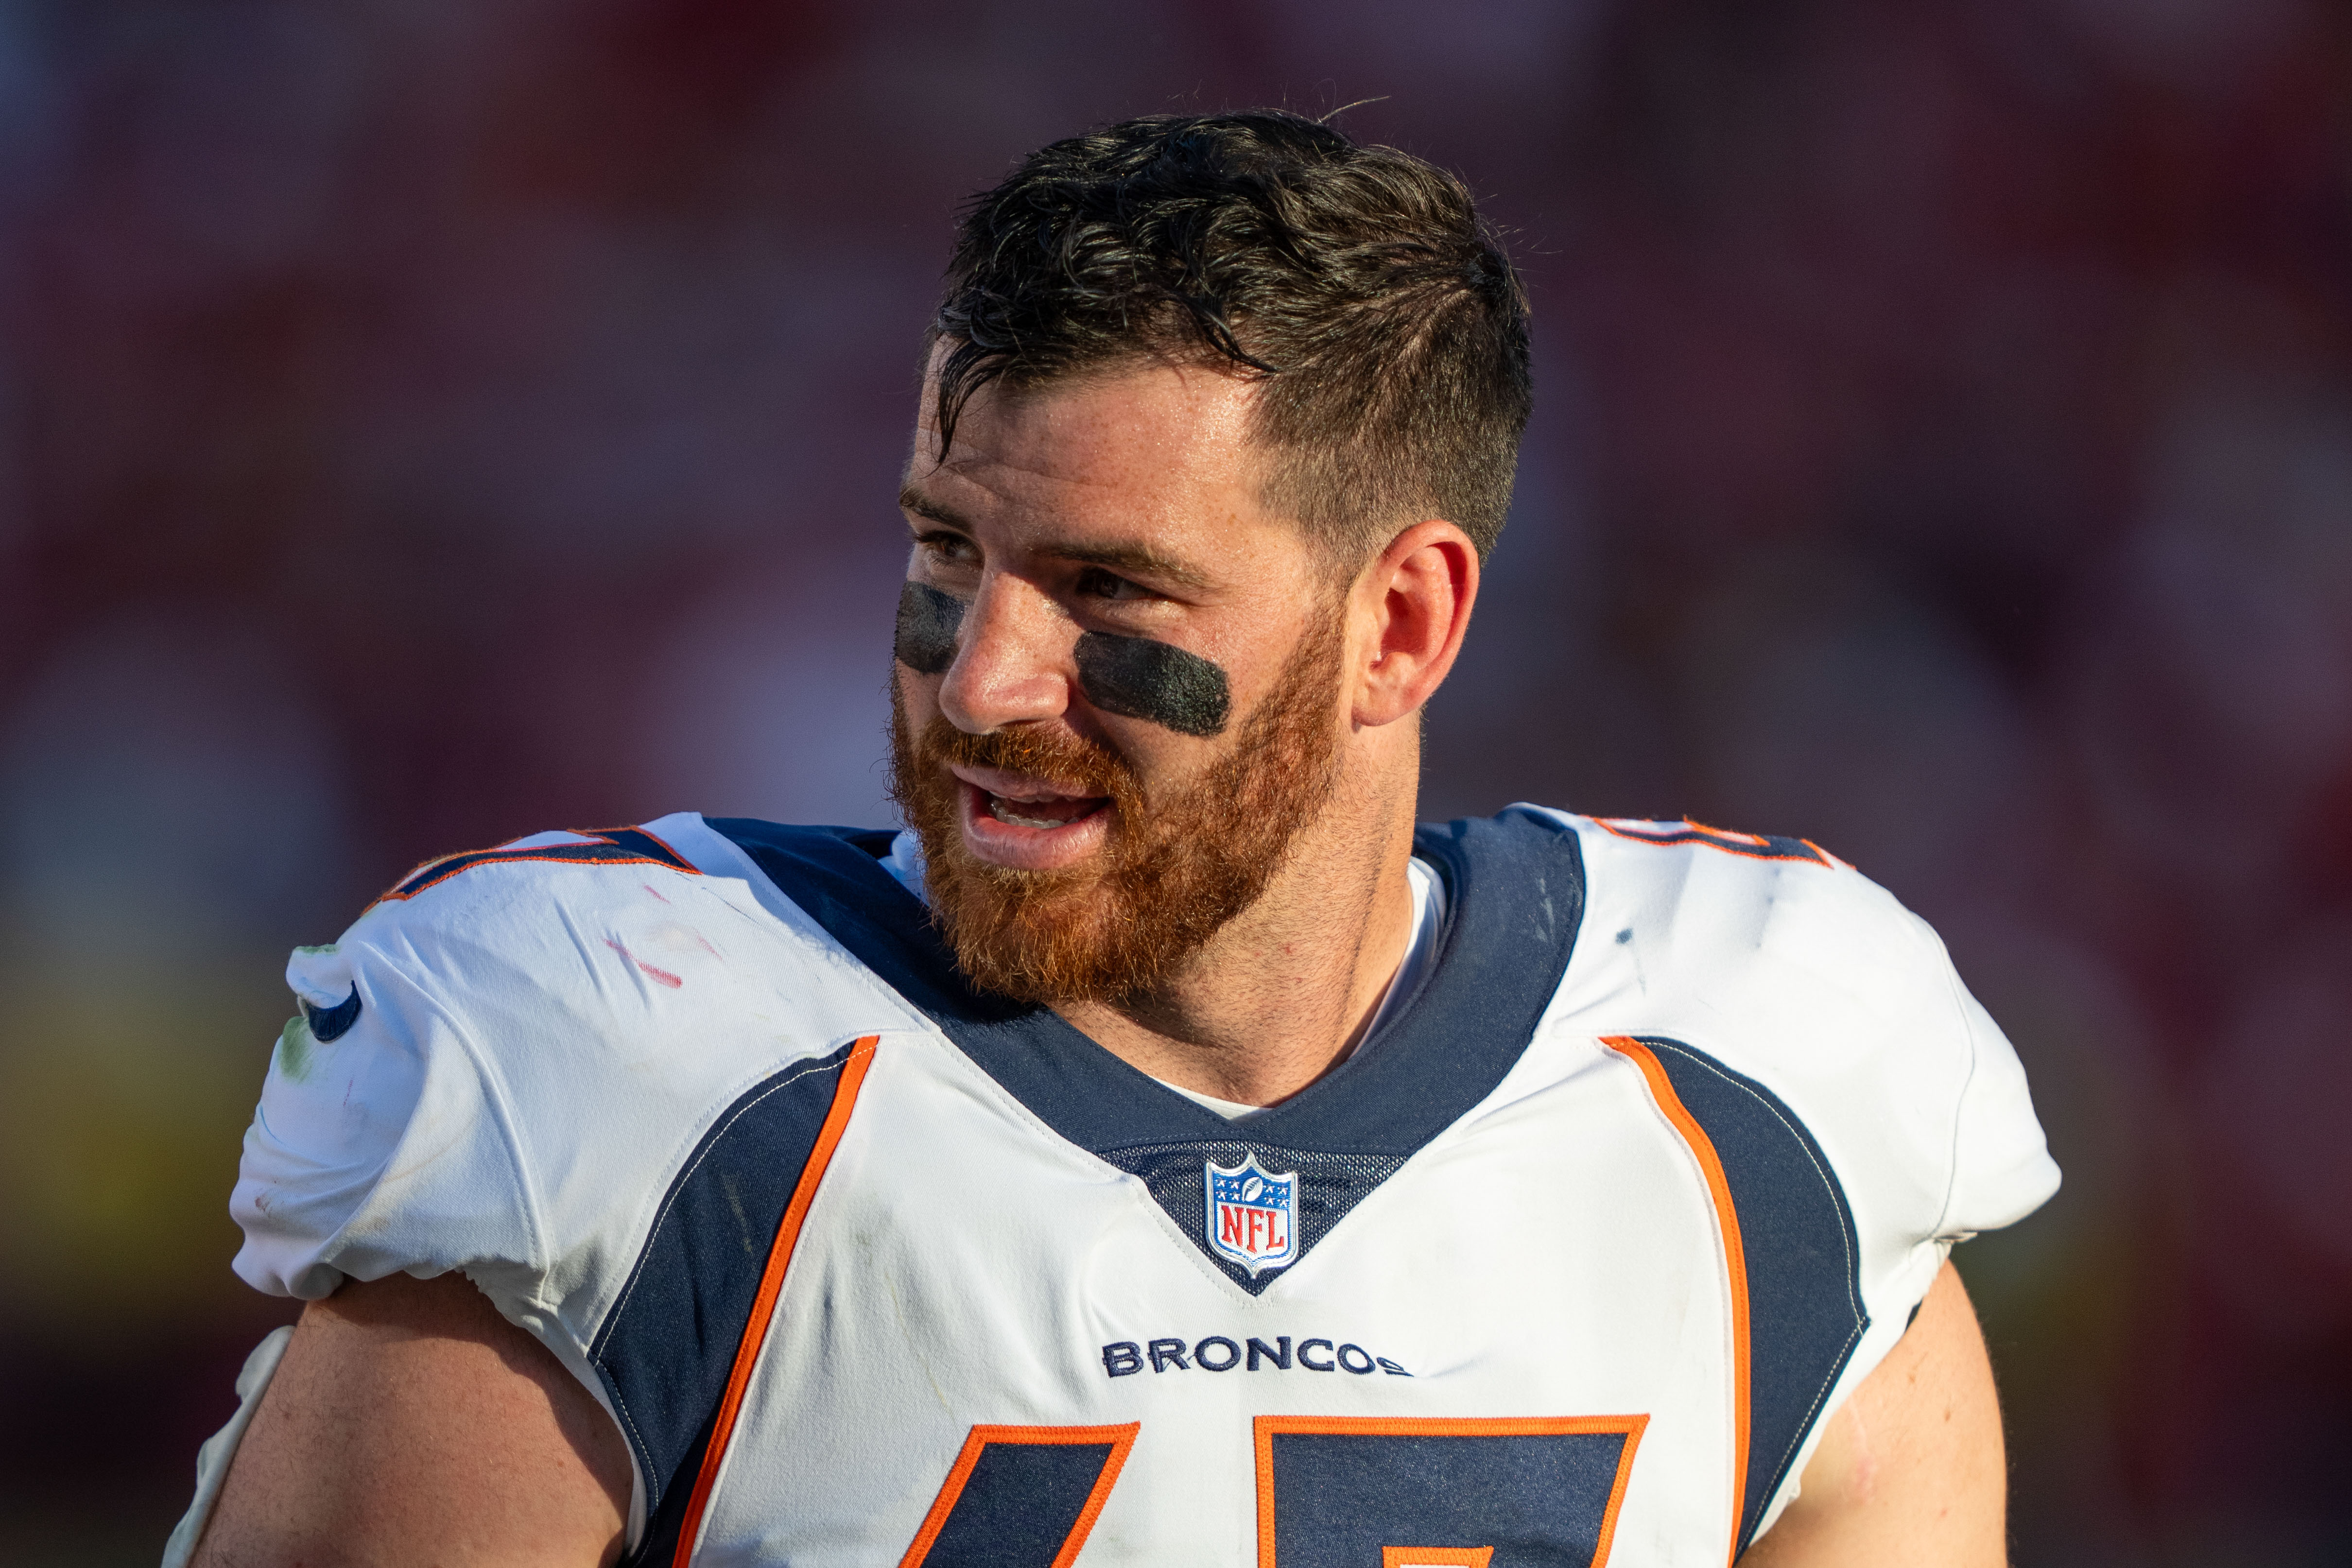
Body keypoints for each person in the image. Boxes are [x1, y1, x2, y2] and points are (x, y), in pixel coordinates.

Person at [172, 110, 2058, 1568]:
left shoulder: (1766, 1099)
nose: (984, 679)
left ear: (1397, 626)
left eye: (1107, 589)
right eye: (944, 550)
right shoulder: (629, 1068)